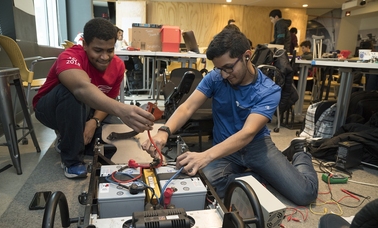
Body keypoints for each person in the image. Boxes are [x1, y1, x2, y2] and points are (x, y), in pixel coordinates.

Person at [141, 29, 318, 206]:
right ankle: (257, 177)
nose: (224, 75)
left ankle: (299, 152)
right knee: (204, 188)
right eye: (219, 69)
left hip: (256, 147)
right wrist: (164, 131)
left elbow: (247, 134)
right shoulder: (215, 77)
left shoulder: (268, 90)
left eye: (228, 67)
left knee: (304, 194)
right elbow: (187, 107)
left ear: (247, 56)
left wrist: (205, 156)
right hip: (225, 151)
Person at [33, 18, 155, 179]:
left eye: (110, 50)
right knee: (71, 93)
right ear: (84, 45)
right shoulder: (69, 56)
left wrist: (94, 122)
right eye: (98, 50)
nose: (104, 57)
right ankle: (71, 162)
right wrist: (122, 109)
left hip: (85, 110)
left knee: (112, 136)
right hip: (50, 110)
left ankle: (67, 140)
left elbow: (108, 99)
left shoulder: (118, 66)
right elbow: (81, 89)